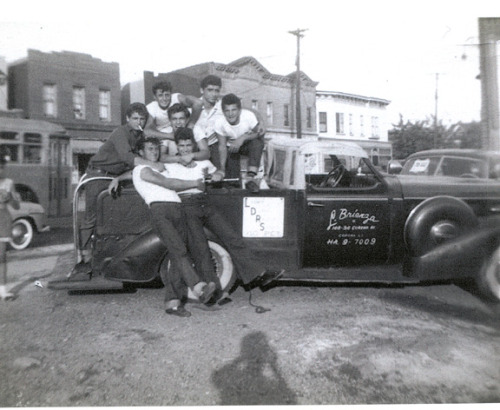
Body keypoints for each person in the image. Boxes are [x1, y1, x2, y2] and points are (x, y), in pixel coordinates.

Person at [165, 127, 283, 301]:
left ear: (193, 145)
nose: (185, 149)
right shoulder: (170, 165)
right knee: (201, 248)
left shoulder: (203, 162)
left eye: (188, 145)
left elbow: (218, 172)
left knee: (231, 237)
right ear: (176, 146)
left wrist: (218, 174)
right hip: (186, 206)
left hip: (205, 202)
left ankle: (259, 274)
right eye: (181, 146)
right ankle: (215, 293)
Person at [109, 137, 216, 318]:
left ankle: (173, 304)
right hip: (161, 211)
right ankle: (199, 288)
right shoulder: (142, 170)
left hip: (177, 209)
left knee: (177, 257)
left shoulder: (157, 168)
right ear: (141, 153)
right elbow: (169, 184)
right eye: (150, 149)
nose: (154, 152)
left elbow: (139, 174)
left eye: (156, 149)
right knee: (179, 250)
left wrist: (118, 178)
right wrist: (195, 184)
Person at [72, 102, 164, 276]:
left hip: (112, 176)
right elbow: (128, 158)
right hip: (98, 175)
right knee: (91, 217)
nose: (139, 122)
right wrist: (153, 164)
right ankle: (83, 259)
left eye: (142, 118)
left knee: (115, 214)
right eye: (135, 118)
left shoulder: (139, 136)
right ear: (127, 119)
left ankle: (109, 254)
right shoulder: (120, 132)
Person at [213, 93, 265, 193]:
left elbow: (259, 134)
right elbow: (222, 146)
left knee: (257, 143)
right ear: (223, 112)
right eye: (227, 111)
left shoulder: (248, 116)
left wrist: (243, 137)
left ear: (240, 110)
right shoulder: (219, 122)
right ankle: (236, 188)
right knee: (233, 180)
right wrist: (222, 169)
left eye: (234, 110)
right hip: (232, 148)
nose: (230, 114)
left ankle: (251, 177)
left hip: (247, 145)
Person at [145, 81, 203, 158]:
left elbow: (198, 103)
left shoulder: (177, 98)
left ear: (171, 95)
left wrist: (190, 126)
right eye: (160, 95)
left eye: (167, 95)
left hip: (183, 131)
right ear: (154, 97)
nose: (164, 99)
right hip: (165, 136)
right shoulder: (151, 107)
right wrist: (171, 136)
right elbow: (146, 131)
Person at [0, 150, 20, 301]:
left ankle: (3, 290)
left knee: (1, 257)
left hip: (3, 219)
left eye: (1, 166)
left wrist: (9, 198)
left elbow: (17, 206)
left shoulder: (8, 183)